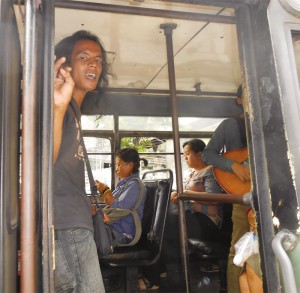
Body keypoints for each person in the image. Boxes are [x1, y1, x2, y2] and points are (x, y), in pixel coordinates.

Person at [53, 30, 110, 292]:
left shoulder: (72, 112)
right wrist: (57, 108)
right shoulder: (60, 109)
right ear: (64, 65)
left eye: (98, 60)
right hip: (67, 224)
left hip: (73, 217)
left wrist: (86, 201)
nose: (93, 65)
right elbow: (44, 162)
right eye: (83, 57)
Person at [138, 138, 224, 290]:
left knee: (162, 227)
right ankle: (162, 273)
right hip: (189, 217)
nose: (185, 158)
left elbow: (214, 199)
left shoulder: (211, 173)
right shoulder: (190, 175)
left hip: (206, 222)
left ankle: (159, 276)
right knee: (157, 227)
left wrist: (185, 194)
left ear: (199, 154)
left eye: (187, 154)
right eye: (184, 155)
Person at [202, 85, 251, 293]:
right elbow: (208, 154)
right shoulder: (230, 125)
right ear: (239, 99)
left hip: (273, 195)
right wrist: (233, 166)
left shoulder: (272, 124)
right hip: (242, 196)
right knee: (238, 250)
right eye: (247, 94)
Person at [96, 148, 148, 245]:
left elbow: (117, 208)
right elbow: (111, 204)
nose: (116, 168)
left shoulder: (135, 186)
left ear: (130, 165)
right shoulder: (124, 184)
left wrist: (105, 190)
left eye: (118, 165)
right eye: (115, 165)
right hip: (114, 228)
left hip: (123, 233)